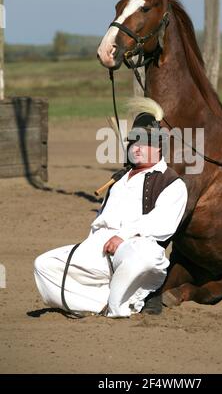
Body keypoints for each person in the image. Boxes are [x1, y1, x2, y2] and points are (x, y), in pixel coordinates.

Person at [34, 98, 188, 318]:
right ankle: (99, 304)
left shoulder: (172, 182)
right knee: (44, 265)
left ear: (159, 145)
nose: (137, 148)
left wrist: (122, 236)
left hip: (133, 245)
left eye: (145, 142)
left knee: (144, 256)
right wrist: (93, 242)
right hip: (98, 245)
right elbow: (102, 217)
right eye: (134, 142)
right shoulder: (119, 179)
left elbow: (162, 223)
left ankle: (118, 308)